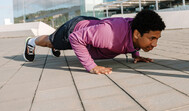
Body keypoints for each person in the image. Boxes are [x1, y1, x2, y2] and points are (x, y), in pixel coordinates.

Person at [23, 9, 166, 74]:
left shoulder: (137, 30)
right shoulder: (108, 34)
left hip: (93, 27)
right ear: (137, 34)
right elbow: (75, 38)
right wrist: (91, 66)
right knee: (51, 42)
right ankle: (32, 41)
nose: (154, 44)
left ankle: (56, 42)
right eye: (151, 39)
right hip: (73, 30)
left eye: (157, 39)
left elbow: (130, 40)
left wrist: (136, 55)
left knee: (86, 35)